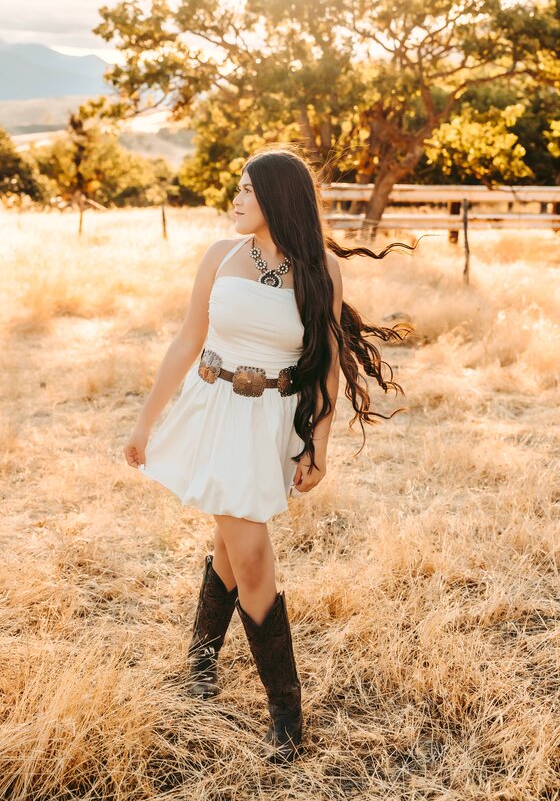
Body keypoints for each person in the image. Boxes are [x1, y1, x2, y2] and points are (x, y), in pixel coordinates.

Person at [123, 146, 411, 764]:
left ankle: (200, 663)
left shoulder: (321, 270)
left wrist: (320, 440)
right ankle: (286, 711)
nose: (236, 199)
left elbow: (328, 361)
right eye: (237, 188)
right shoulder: (220, 257)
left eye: (248, 190)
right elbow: (185, 341)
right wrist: (146, 422)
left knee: (235, 539)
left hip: (273, 418)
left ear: (278, 197)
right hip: (213, 408)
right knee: (252, 554)